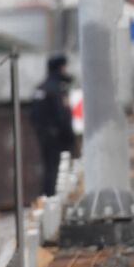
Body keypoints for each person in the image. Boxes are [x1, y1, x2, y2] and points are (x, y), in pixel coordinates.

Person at [30, 54, 76, 197]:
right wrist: (69, 136)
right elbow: (62, 115)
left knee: (49, 169)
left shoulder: (41, 88)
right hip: (58, 138)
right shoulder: (55, 90)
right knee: (58, 171)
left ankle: (46, 198)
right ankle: (52, 199)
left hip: (44, 136)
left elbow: (33, 116)